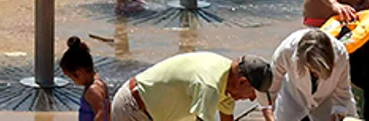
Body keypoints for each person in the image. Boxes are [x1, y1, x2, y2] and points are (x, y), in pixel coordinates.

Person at [111, 51, 273, 121]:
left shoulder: (228, 85)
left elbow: (226, 118)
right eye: (253, 93)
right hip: (134, 108)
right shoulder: (210, 86)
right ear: (242, 82)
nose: (252, 100)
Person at [270, 27, 355, 121]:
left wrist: (338, 114)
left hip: (325, 101)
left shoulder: (340, 55)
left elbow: (342, 93)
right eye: (312, 70)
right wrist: (269, 111)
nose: (315, 75)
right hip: (293, 99)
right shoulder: (286, 50)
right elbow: (272, 84)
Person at [60, 36, 112, 121]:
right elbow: (108, 110)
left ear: (79, 72)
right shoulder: (100, 83)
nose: (73, 81)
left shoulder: (92, 91)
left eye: (71, 77)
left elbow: (100, 114)